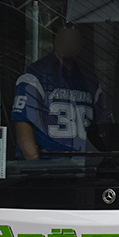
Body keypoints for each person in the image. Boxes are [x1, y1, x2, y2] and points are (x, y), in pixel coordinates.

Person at [12, 18, 106, 160]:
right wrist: (36, 168)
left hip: (84, 168)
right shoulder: (35, 76)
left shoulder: (90, 80)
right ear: (55, 40)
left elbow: (101, 128)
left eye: (74, 38)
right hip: (50, 168)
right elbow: (23, 125)